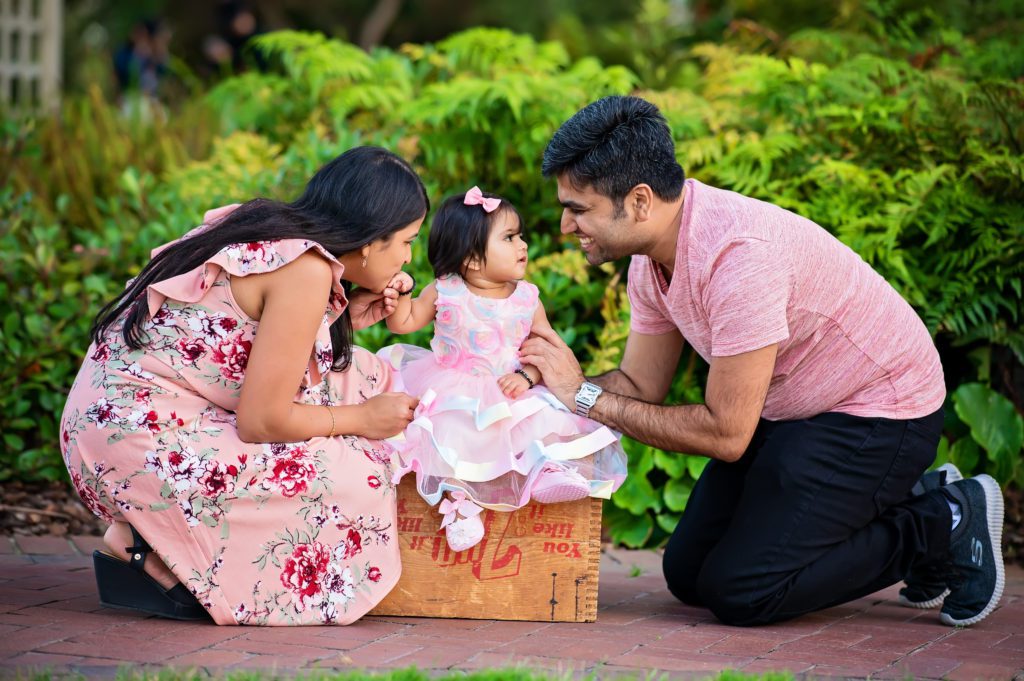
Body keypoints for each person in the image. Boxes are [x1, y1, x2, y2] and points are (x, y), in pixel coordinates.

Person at [519, 95, 1005, 627]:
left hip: (880, 413)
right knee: (688, 574)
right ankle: (907, 496)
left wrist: (583, 396)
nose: (566, 227)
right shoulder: (652, 255)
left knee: (744, 592)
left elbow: (727, 435)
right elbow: (640, 383)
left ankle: (945, 520)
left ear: (638, 202)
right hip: (795, 410)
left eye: (578, 209)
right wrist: (545, 388)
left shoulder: (739, 258)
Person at [59, 146, 426, 625]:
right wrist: (362, 421)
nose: (408, 257)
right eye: (406, 242)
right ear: (369, 242)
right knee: (361, 471)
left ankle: (160, 538)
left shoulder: (266, 227)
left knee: (360, 376)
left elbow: (241, 350)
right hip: (136, 437)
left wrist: (344, 314)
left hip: (106, 420)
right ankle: (156, 555)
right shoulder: (306, 269)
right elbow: (262, 420)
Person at [378, 187, 628, 551]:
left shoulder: (527, 297)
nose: (522, 244)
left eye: (520, 235)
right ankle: (459, 505)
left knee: (542, 426)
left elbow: (549, 351)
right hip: (453, 388)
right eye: (509, 238)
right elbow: (405, 322)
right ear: (472, 259)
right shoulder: (445, 290)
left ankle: (548, 472)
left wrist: (528, 376)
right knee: (449, 436)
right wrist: (399, 296)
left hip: (510, 390)